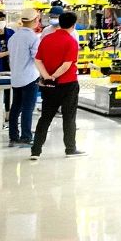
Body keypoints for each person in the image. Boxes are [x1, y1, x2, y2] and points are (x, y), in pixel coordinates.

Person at [31, 11, 85, 160]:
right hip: (68, 84)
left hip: (49, 86)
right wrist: (54, 76)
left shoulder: (46, 39)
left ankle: (36, 151)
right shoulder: (71, 41)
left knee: (45, 118)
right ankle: (70, 149)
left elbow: (38, 60)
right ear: (73, 25)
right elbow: (67, 65)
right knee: (69, 118)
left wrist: (47, 77)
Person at [7, 8, 40, 146]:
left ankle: (13, 135)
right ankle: (26, 136)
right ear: (35, 20)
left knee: (15, 107)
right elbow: (37, 58)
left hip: (16, 78)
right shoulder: (33, 38)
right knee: (27, 108)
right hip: (30, 78)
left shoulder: (13, 37)